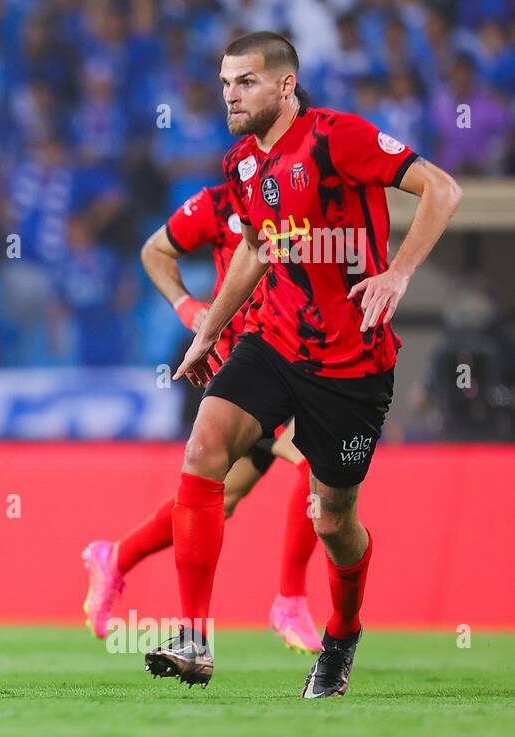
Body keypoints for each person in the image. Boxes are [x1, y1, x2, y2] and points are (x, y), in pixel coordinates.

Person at [147, 32, 460, 697]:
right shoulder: (240, 165)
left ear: (285, 86)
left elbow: (443, 189)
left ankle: (343, 632)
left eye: (247, 82)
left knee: (334, 520)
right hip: (276, 342)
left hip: (353, 361)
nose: (232, 94)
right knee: (205, 447)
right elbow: (256, 254)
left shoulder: (337, 138)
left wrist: (398, 272)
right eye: (227, 82)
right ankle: (194, 637)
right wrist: (209, 330)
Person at [82, 182, 322, 654]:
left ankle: (115, 557)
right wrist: (188, 307)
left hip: (295, 362)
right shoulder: (220, 203)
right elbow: (154, 251)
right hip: (246, 373)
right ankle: (290, 600)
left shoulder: (308, 205)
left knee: (217, 501)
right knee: (312, 459)